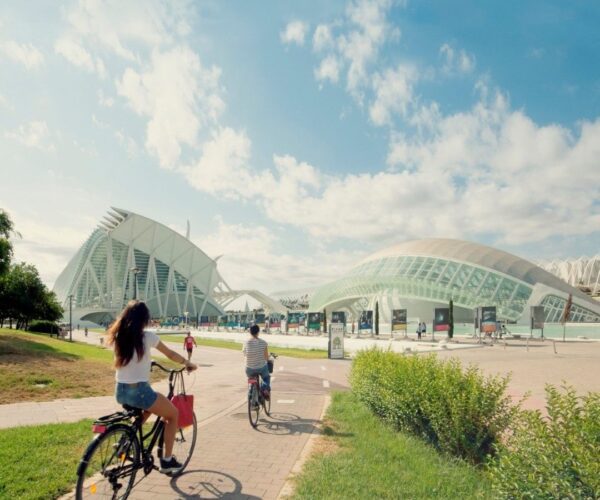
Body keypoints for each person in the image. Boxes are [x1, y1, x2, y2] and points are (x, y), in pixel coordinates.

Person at [106, 300, 197, 474]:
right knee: (173, 414)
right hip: (139, 391)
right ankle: (167, 461)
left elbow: (131, 360)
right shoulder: (148, 337)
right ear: (144, 319)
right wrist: (187, 363)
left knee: (148, 407)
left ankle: (125, 441)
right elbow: (170, 354)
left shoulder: (118, 335)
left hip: (120, 390)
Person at [242, 324, 271, 399]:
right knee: (266, 377)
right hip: (261, 367)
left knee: (251, 378)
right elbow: (266, 357)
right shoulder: (263, 343)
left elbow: (244, 354)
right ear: (258, 332)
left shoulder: (246, 343)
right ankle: (265, 388)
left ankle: (251, 388)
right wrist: (268, 358)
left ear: (250, 332)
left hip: (249, 368)